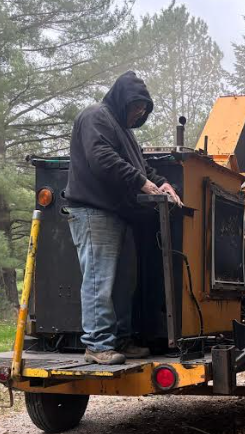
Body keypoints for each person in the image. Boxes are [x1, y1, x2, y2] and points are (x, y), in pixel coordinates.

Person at [64, 71, 181, 365]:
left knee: (123, 282)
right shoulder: (96, 117)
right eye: (136, 107)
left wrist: (163, 183)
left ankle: (120, 339)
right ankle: (97, 344)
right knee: (98, 279)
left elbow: (141, 167)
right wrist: (141, 182)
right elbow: (101, 158)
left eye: (143, 110)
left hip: (118, 214)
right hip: (93, 210)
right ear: (122, 99)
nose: (139, 113)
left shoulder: (125, 131)